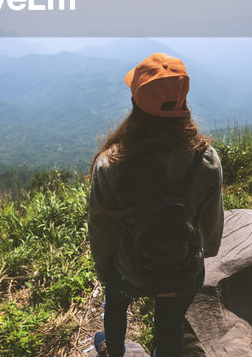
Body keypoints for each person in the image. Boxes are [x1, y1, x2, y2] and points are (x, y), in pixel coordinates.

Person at [88, 53, 224, 357]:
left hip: (130, 272)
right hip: (183, 271)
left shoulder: (111, 165)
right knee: (170, 322)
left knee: (115, 301)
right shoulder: (206, 161)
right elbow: (212, 238)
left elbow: (102, 232)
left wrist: (105, 272)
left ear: (136, 104)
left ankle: (115, 349)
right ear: (183, 103)